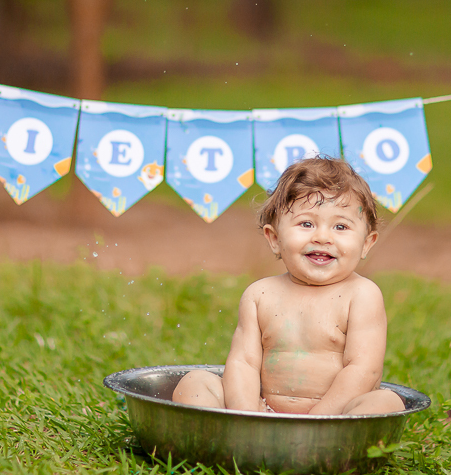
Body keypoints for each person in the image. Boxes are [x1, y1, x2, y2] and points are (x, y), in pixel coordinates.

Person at [171, 156, 406, 415]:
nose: (322, 237)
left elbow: (363, 370)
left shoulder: (362, 295)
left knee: (386, 402)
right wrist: (247, 414)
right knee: (194, 382)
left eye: (340, 226)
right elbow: (244, 363)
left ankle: (326, 441)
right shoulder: (260, 295)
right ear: (274, 239)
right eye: (306, 224)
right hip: (265, 413)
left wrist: (318, 421)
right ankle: (230, 431)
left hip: (335, 418)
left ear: (366, 244)